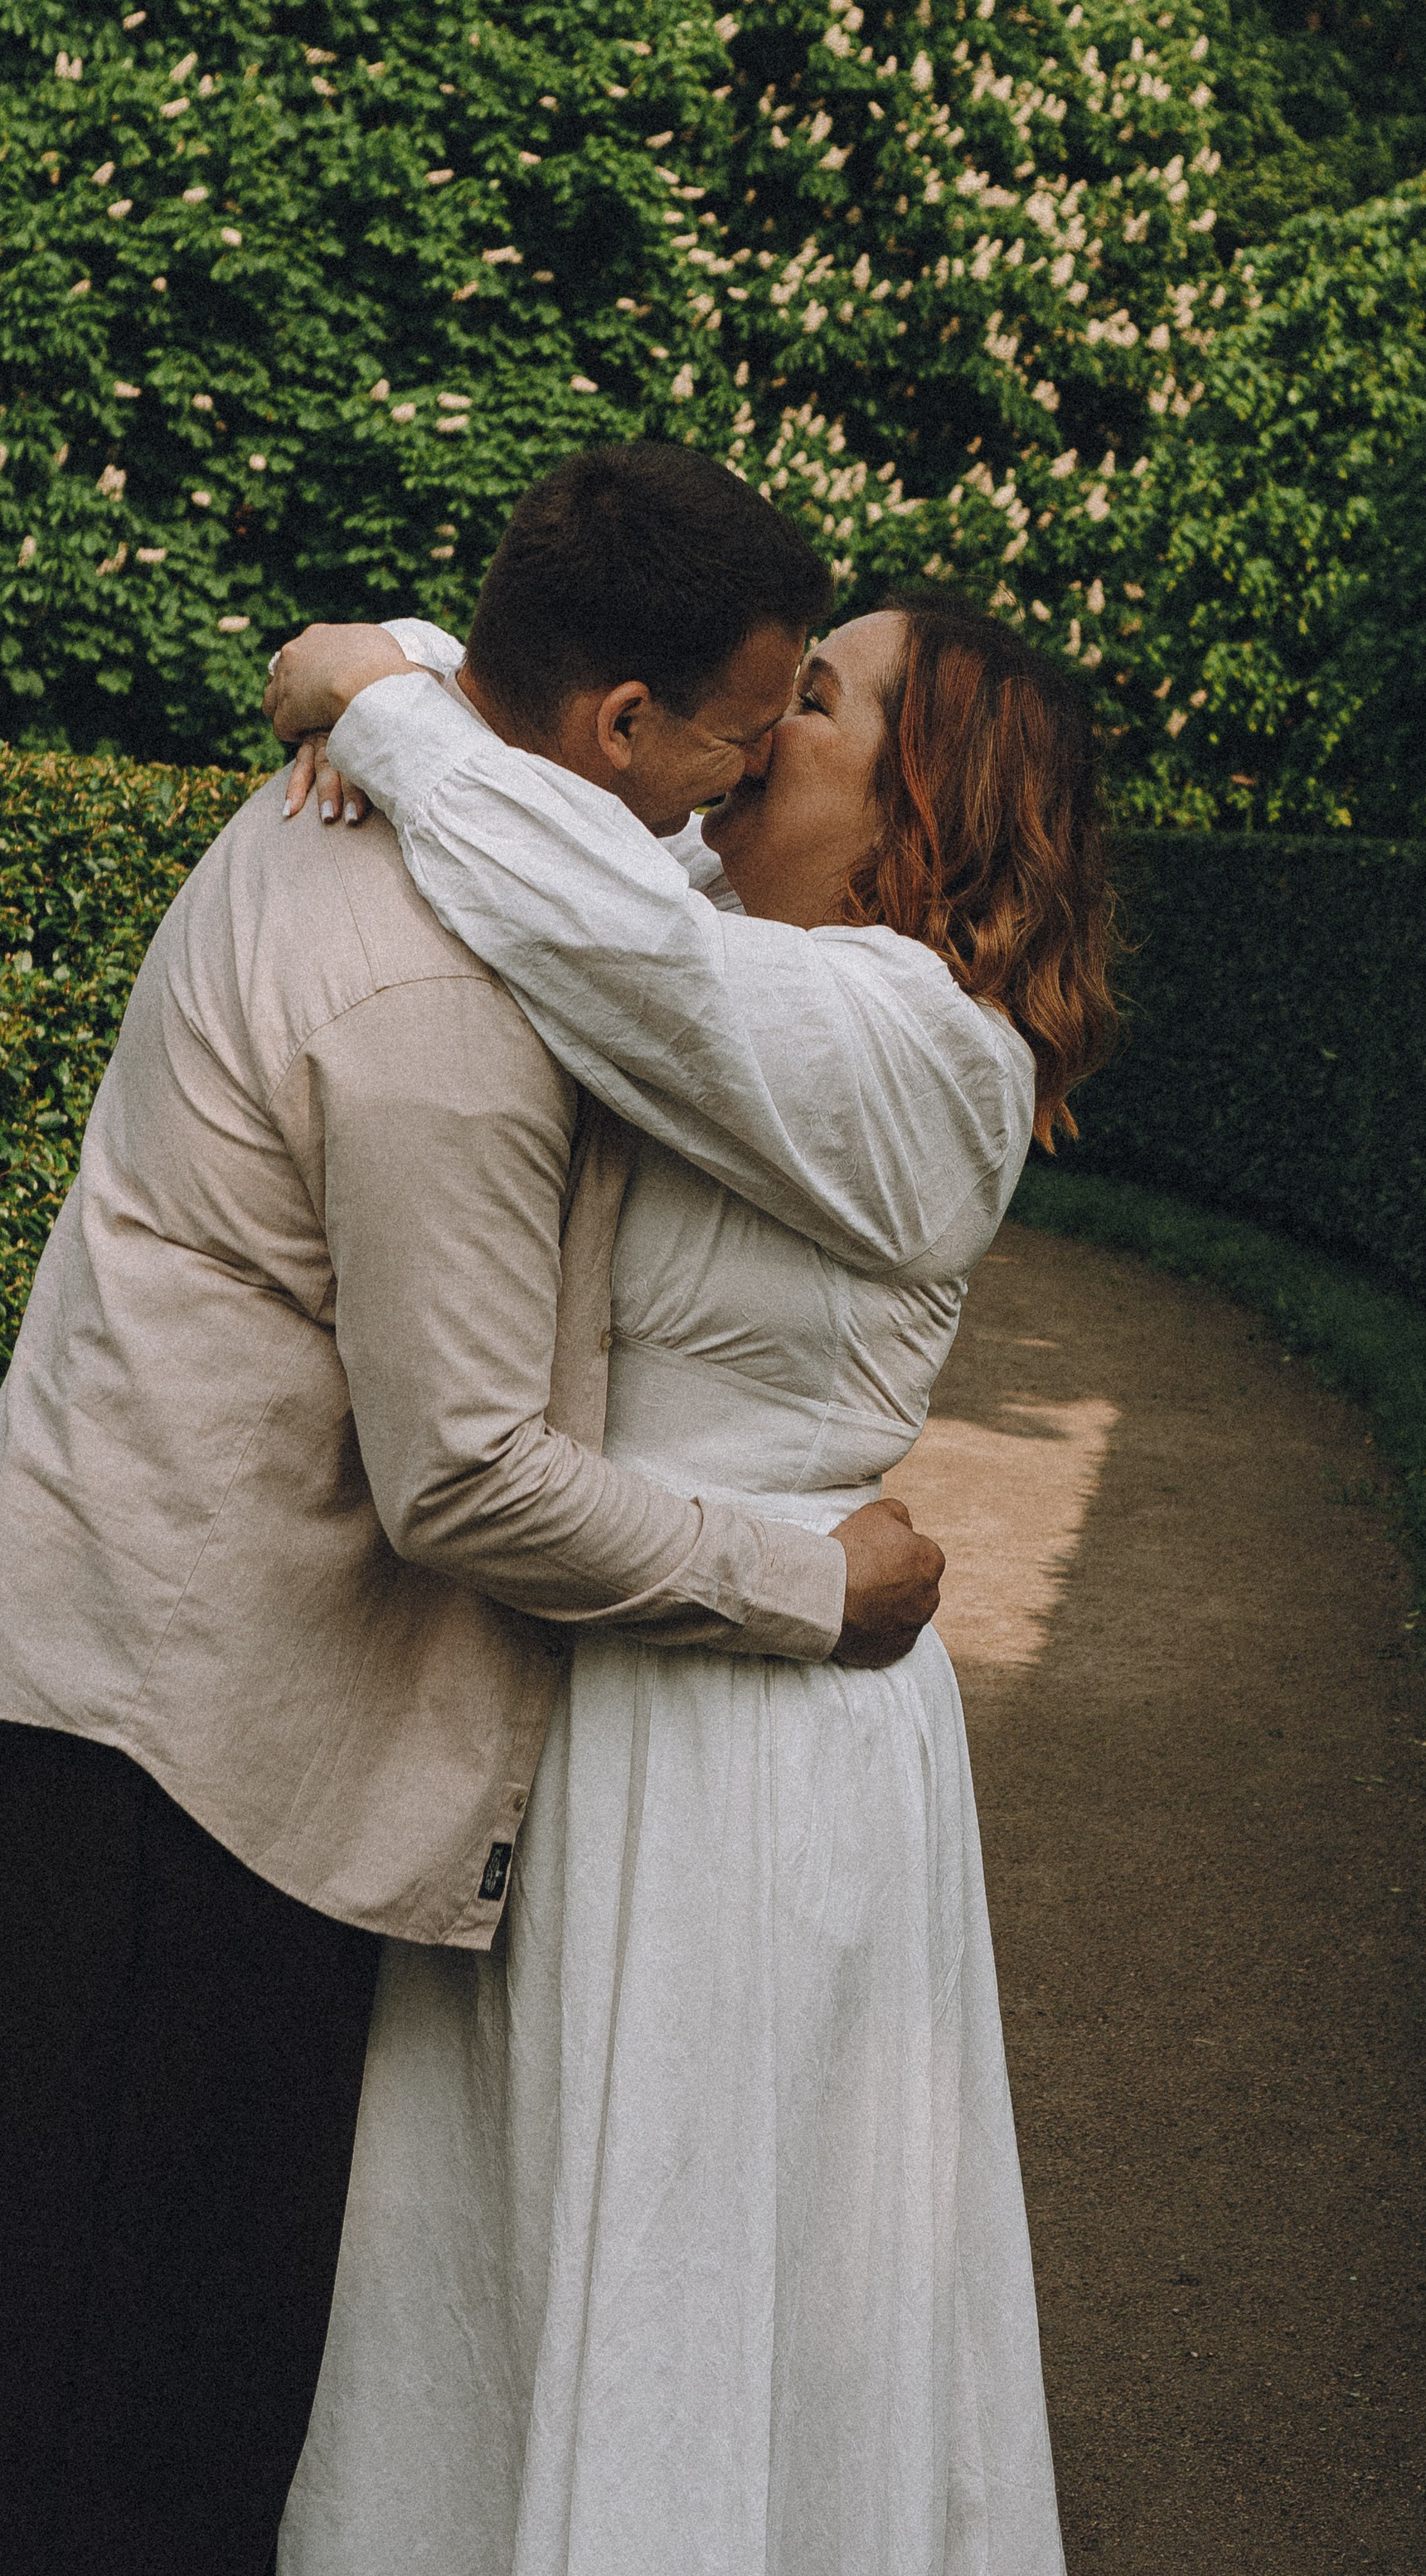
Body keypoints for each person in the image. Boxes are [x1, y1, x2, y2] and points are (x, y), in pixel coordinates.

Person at [0, 441, 947, 2576]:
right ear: (617, 728)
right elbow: (464, 1475)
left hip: (158, 1673)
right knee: (142, 2413)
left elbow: (485, 714)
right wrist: (804, 1587)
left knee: (127, 2368)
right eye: (741, 735)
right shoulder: (444, 999)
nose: (743, 787)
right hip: (173, 1722)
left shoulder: (445, 794)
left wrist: (377, 668)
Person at [261, 568, 1116, 2576]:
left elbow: (599, 932)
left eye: (813, 703)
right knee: (489, 2249)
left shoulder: (923, 1048)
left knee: (694, 2266)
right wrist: (440, 668)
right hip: (585, 1663)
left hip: (733, 1746)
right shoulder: (732, 951)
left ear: (927, 809)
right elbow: (584, 817)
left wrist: (387, 698)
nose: (753, 726)